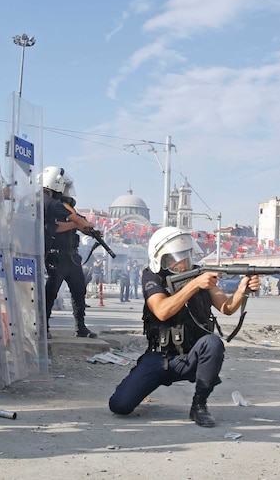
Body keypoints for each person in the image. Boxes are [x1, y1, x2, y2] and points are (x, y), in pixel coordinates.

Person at [108, 227, 260, 427]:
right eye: (176, 257)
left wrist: (242, 291)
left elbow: (227, 307)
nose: (183, 261)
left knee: (213, 343)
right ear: (162, 259)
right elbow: (162, 310)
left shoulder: (201, 274)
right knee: (120, 405)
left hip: (191, 358)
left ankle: (199, 404)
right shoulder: (152, 277)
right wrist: (195, 284)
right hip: (159, 358)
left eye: (186, 255)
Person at [42, 166, 98, 339]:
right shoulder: (49, 203)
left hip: (70, 256)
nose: (67, 190)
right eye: (64, 186)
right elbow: (53, 227)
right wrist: (78, 224)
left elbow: (82, 221)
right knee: (51, 294)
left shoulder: (64, 205)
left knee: (79, 291)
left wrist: (88, 229)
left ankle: (80, 327)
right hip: (56, 256)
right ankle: (44, 328)